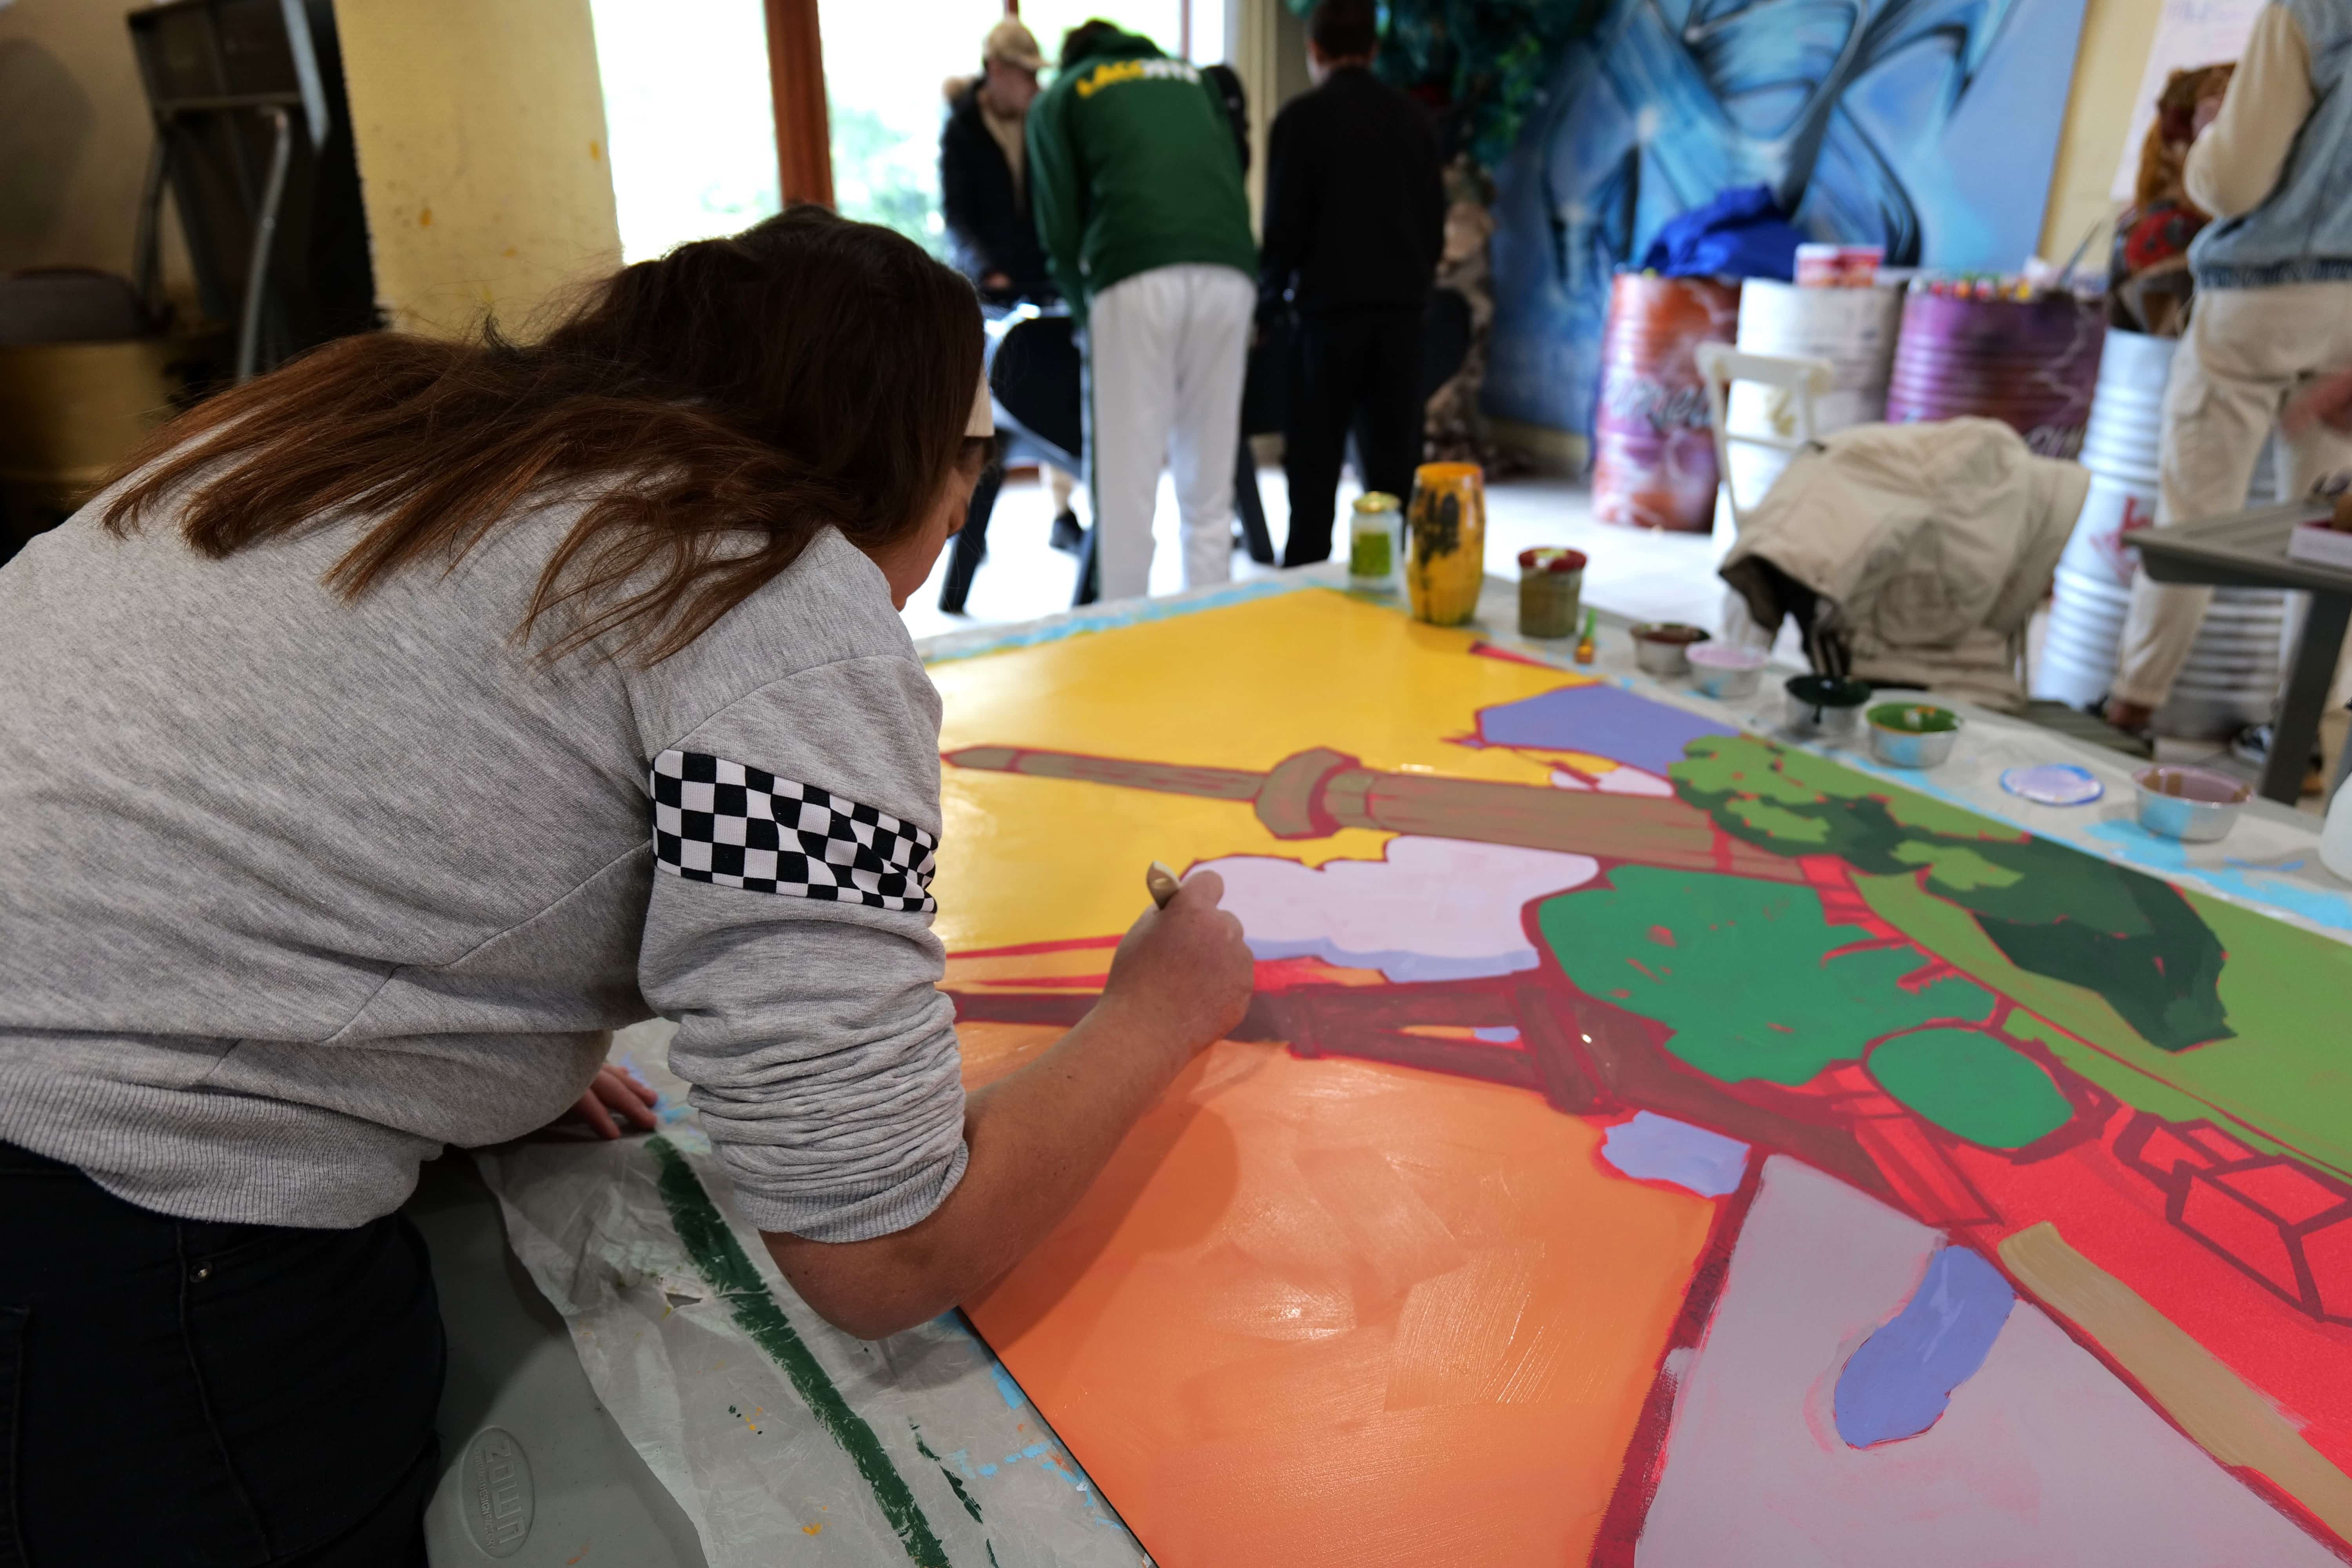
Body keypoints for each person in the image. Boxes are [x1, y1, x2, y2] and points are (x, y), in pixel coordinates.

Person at [0, 207, 1255, 1561]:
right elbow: (884, 1245)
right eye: (972, 461)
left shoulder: (374, 430)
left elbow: (260, 795)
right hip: (113, 1226)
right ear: (922, 469)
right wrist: (1158, 1013)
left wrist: (473, 1037)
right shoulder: (768, 597)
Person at [2106, 0, 2352, 744]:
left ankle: (2132, 707)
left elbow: (2234, 184)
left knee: (2196, 518)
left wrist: (2211, 136)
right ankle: (2300, 730)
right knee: (2330, 534)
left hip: (2262, 296)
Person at [1028, 19, 1258, 601]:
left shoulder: (1065, 93)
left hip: (1132, 273)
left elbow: (1056, 224)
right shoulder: (1192, 78)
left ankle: (1122, 634)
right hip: (1230, 266)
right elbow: (1231, 168)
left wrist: (1085, 312)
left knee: (1126, 483)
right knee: (1210, 483)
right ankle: (1210, 621)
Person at [1258, 0, 1445, 568]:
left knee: (1312, 480)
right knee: (1393, 476)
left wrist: (1268, 304)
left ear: (1314, 51)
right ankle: (1387, 590)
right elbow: (1434, 226)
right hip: (1401, 321)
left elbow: (1282, 232)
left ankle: (1307, 594)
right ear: (1374, 49)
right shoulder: (1416, 121)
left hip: (1325, 323)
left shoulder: (1300, 120)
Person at [940, 16, 1083, 553]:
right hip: (991, 285)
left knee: (1057, 391)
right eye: (1024, 74)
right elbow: (957, 215)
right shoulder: (962, 129)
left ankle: (1064, 512)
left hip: (1044, 277)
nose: (1032, 84)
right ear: (996, 70)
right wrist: (984, 269)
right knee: (988, 410)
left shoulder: (1043, 118)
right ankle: (964, 528)